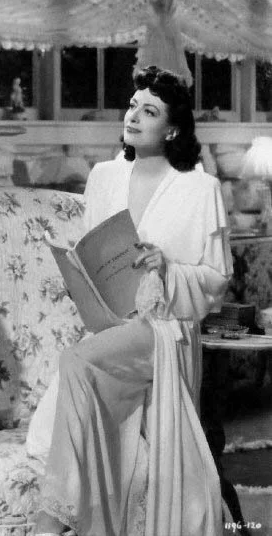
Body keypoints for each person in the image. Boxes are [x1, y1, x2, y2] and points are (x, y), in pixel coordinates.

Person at [28, 66, 230, 536]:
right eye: (133, 105)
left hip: (165, 330)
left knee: (76, 361)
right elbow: (93, 253)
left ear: (172, 130)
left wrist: (168, 268)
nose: (133, 116)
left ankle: (49, 525)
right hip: (112, 323)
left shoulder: (200, 187)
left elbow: (216, 281)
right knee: (82, 370)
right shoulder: (103, 176)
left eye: (150, 111)